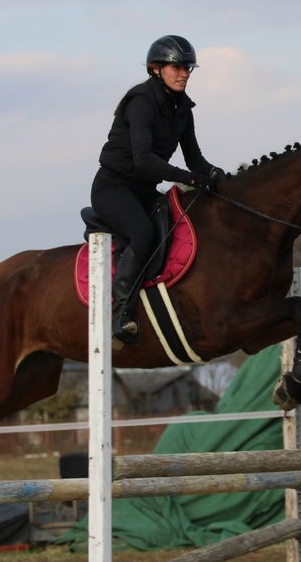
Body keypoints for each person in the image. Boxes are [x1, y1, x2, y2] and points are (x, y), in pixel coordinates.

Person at [92, 35, 226, 345]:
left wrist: (218, 176)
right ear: (156, 69)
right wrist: (191, 179)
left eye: (188, 68)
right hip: (113, 188)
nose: (184, 74)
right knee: (144, 233)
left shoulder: (183, 108)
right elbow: (144, 160)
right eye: (177, 67)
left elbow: (195, 159)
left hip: (143, 191)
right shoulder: (141, 101)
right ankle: (120, 311)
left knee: (178, 227)